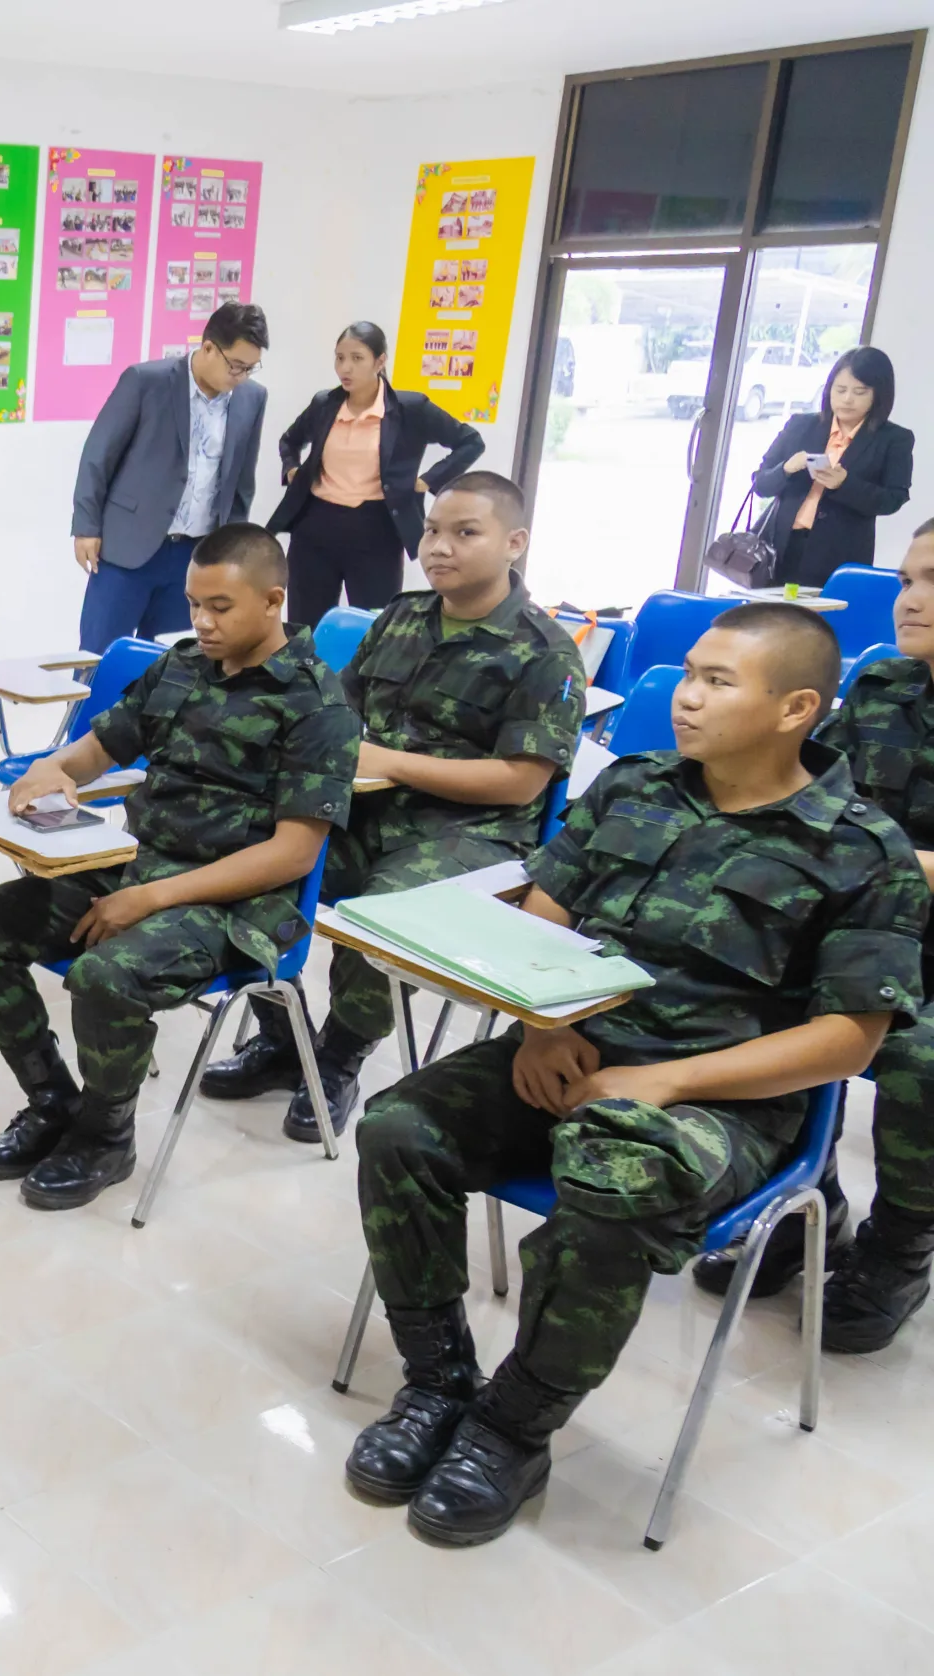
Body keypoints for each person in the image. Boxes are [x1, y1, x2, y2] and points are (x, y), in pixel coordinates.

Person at [345, 603, 926, 1548]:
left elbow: (847, 1042)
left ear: (796, 708)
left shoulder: (862, 851)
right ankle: (438, 1381)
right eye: (689, 673)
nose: (686, 697)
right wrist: (541, 1027)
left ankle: (512, 1427)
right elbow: (542, 918)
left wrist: (668, 1083)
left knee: (613, 1189)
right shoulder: (633, 783)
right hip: (573, 1049)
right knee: (397, 1130)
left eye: (717, 681)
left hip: (722, 1102)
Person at [0, 523, 359, 1210]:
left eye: (220, 607)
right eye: (194, 604)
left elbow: (293, 853)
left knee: (105, 975)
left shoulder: (317, 704)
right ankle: (53, 1102)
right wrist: (55, 770)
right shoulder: (183, 667)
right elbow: (99, 746)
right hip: (139, 870)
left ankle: (106, 1137)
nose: (202, 621)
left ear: (272, 601)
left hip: (237, 907)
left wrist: (151, 898)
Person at [206, 473, 584, 1140]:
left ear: (514, 543)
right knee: (245, 857)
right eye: (433, 530)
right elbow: (339, 708)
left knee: (379, 917)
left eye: (465, 532)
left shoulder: (545, 652)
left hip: (469, 833)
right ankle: (284, 1037)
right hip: (366, 809)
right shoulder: (402, 617)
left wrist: (387, 763)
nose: (439, 546)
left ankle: (338, 1056)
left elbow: (520, 782)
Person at [695, 517, 934, 1345]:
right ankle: (804, 1203)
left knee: (918, 1053)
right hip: (855, 923)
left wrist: (875, 857)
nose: (911, 600)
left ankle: (901, 1246)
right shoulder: (884, 687)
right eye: (907, 580)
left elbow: (847, 835)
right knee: (749, 988)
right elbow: (802, 794)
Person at [69, 303, 271, 652]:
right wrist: (86, 526)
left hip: (196, 555)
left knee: (171, 660)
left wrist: (234, 550)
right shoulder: (146, 381)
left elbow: (242, 482)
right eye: (236, 365)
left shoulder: (252, 398)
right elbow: (98, 455)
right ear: (209, 348)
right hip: (128, 547)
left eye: (249, 368)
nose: (241, 377)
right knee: (100, 658)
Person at [266, 321, 485, 627]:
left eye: (357, 358)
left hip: (377, 532)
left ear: (380, 362)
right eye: (340, 358)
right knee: (305, 627)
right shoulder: (324, 404)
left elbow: (470, 442)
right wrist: (291, 468)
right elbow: (290, 440)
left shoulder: (411, 408)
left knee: (374, 627)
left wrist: (427, 481)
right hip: (315, 529)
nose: (345, 368)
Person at [749, 346, 914, 584]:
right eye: (840, 389)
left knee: (824, 609)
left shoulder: (894, 439)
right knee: (768, 608)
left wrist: (844, 484)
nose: (847, 399)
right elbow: (760, 483)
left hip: (839, 556)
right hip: (779, 551)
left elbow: (893, 498)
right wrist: (786, 468)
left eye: (860, 392)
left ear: (879, 394)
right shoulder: (801, 425)